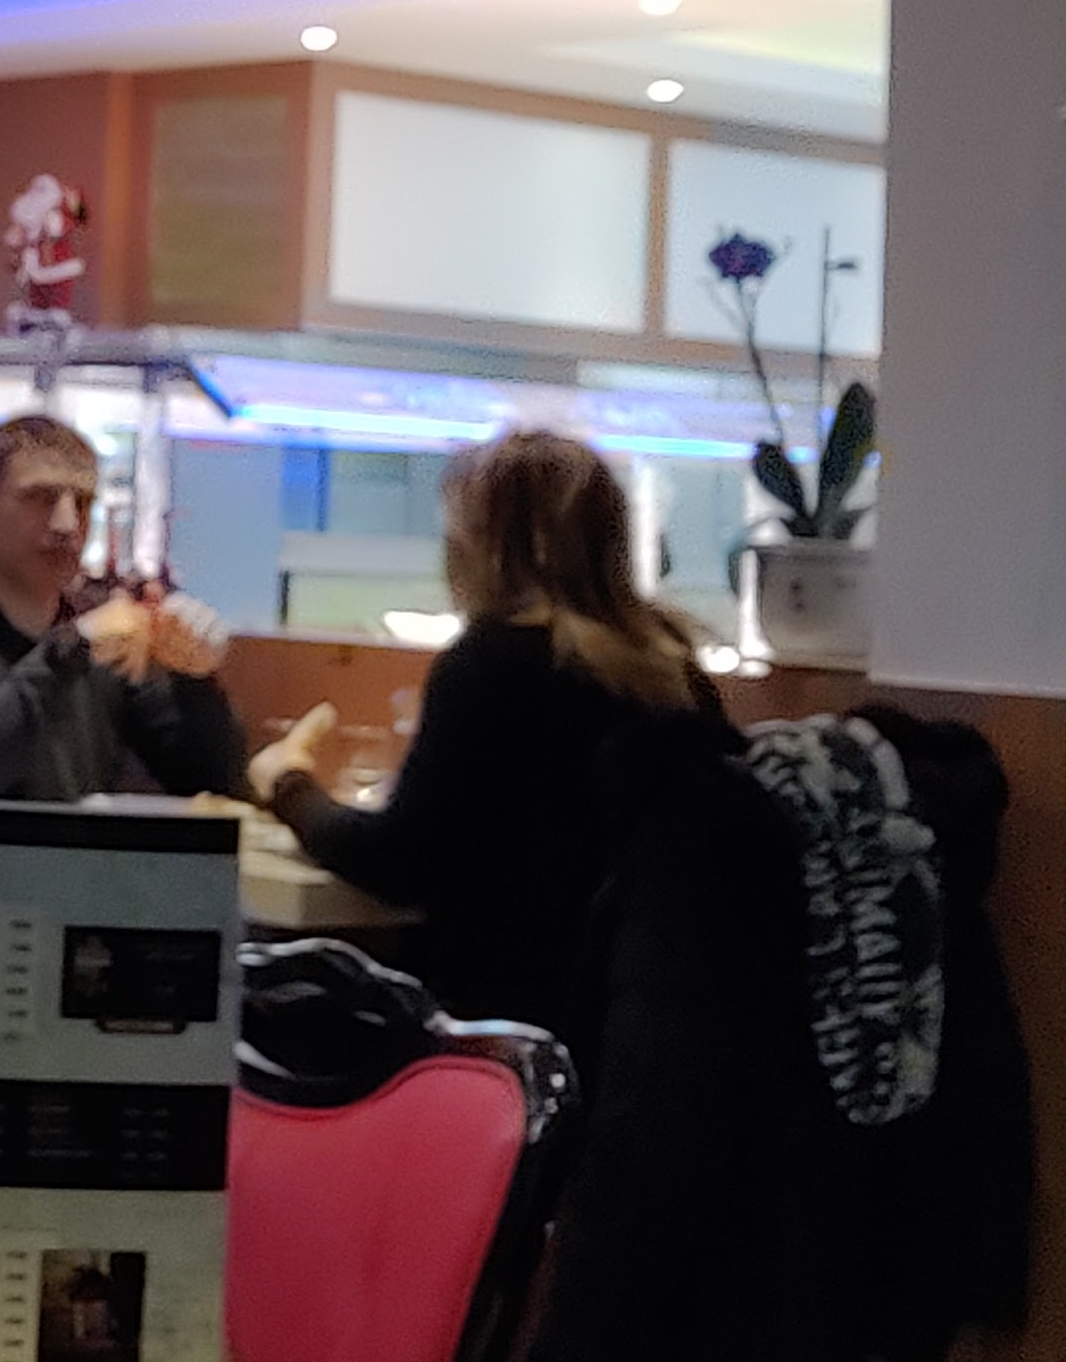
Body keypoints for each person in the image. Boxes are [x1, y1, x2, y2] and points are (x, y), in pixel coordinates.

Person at [249, 426, 733, 1042]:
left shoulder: (492, 664)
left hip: (502, 1030)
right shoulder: (679, 675)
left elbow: (399, 861)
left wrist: (289, 784)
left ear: (483, 547)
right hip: (646, 1032)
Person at [0, 407, 244, 799]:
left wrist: (192, 676)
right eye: (40, 498)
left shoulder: (95, 625)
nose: (67, 524)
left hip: (70, 843)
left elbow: (211, 779)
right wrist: (73, 648)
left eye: (83, 503)